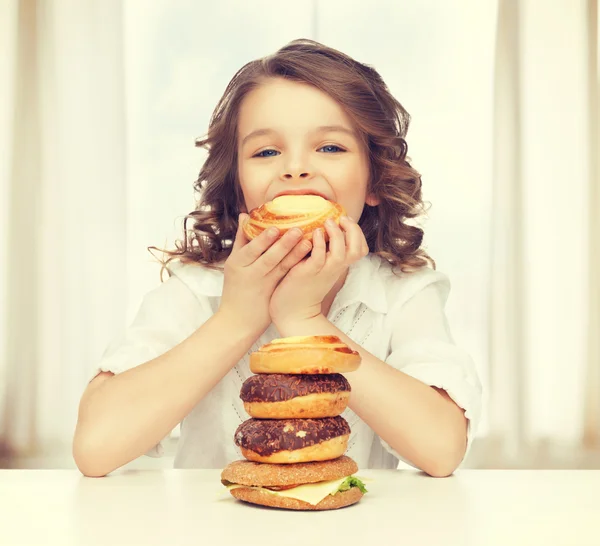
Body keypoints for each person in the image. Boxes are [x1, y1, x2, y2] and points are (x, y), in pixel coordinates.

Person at [72, 39, 482, 478]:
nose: (296, 168)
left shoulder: (402, 292)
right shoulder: (197, 289)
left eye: (330, 148)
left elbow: (441, 450)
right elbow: (95, 448)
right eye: (267, 152)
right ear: (238, 187)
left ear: (373, 183)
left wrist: (306, 321)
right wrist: (236, 317)